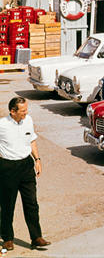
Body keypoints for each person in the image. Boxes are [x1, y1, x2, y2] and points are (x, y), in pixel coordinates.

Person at [0, 97, 49, 250]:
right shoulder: (2, 125)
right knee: (7, 205)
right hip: (8, 167)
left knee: (32, 203)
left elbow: (32, 140)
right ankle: (7, 238)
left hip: (26, 166)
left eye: (26, 110)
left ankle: (36, 237)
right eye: (23, 111)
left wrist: (37, 159)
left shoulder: (28, 120)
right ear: (12, 111)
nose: (26, 113)